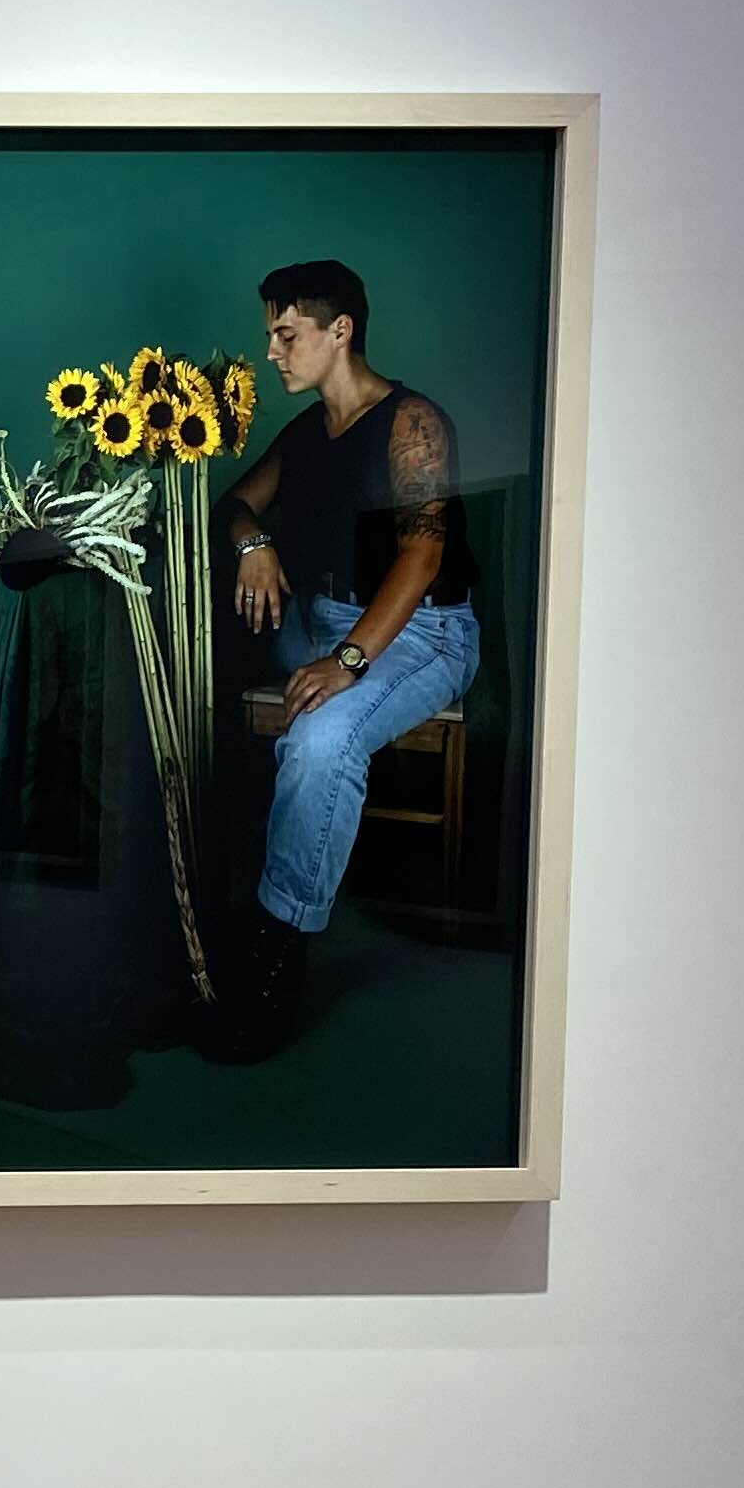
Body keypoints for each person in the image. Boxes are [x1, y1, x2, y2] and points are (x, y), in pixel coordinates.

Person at [204, 258, 479, 1059]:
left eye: (286, 335)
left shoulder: (412, 422)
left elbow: (423, 556)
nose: (271, 352)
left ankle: (275, 949)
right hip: (321, 618)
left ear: (340, 331)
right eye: (270, 336)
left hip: (420, 631)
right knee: (203, 640)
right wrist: (253, 545)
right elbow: (234, 502)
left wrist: (350, 660)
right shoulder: (302, 432)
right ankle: (194, 903)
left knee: (320, 741)